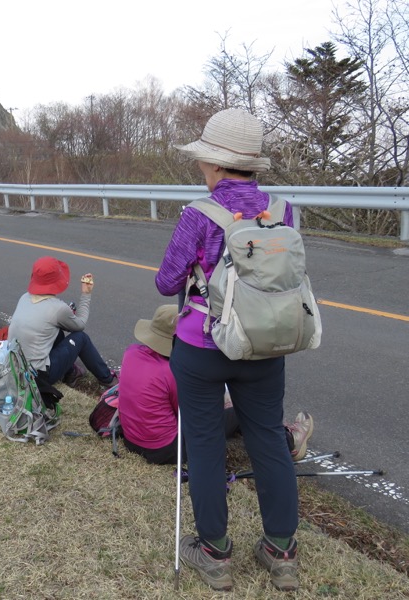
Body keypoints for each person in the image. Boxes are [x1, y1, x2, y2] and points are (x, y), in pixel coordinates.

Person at [155, 108, 313, 592]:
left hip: (204, 344)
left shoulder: (199, 215)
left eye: (203, 162)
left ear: (217, 166)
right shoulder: (283, 209)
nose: (201, 170)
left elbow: (167, 283)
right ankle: (280, 550)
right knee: (268, 437)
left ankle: (215, 554)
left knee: (203, 444)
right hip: (265, 342)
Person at [120, 305, 314, 466]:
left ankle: (244, 429)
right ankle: (291, 442)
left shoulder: (132, 353)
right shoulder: (173, 371)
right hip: (166, 449)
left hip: (132, 439)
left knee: (226, 407)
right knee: (245, 407)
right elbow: (194, 415)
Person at [7, 256, 117, 390]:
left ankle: (71, 373)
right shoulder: (58, 308)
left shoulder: (24, 297)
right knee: (81, 338)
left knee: (56, 332)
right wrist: (86, 294)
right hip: (37, 377)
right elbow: (80, 324)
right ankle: (108, 380)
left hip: (14, 369)